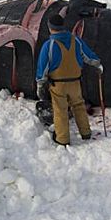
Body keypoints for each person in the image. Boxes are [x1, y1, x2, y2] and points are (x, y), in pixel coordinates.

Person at [36, 14, 103, 146]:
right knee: (78, 106)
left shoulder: (49, 45)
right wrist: (98, 65)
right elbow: (89, 56)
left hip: (58, 85)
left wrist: (40, 84)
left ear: (50, 28)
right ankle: (85, 132)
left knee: (60, 110)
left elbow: (42, 68)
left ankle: (62, 139)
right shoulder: (76, 41)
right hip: (75, 83)